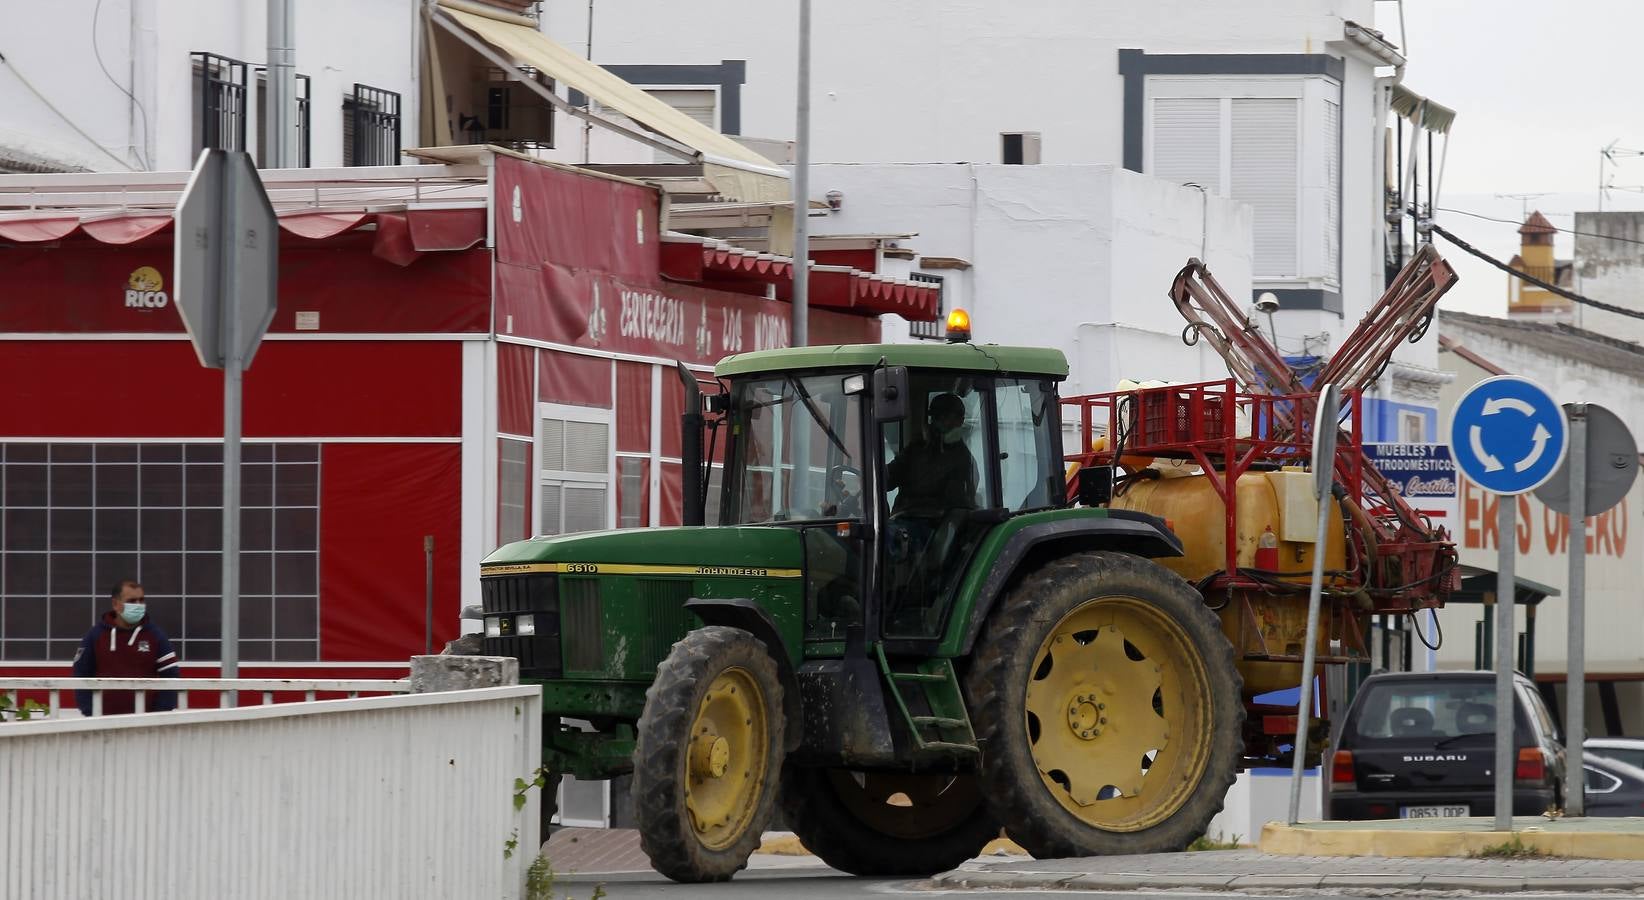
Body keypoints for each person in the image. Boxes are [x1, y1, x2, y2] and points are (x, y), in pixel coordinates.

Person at [73, 579, 180, 716]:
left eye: (141, 600)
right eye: (132, 601)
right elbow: (81, 673)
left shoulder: (155, 636)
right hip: (101, 722)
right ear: (115, 604)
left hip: (146, 724)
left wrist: (159, 713)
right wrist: (89, 710)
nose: (138, 605)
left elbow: (171, 675)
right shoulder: (95, 635)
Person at [885, 392, 979, 516]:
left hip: (933, 525)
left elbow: (956, 503)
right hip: (903, 519)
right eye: (936, 418)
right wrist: (872, 478)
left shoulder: (962, 459)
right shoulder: (916, 449)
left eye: (946, 418)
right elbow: (890, 478)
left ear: (960, 421)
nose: (938, 423)